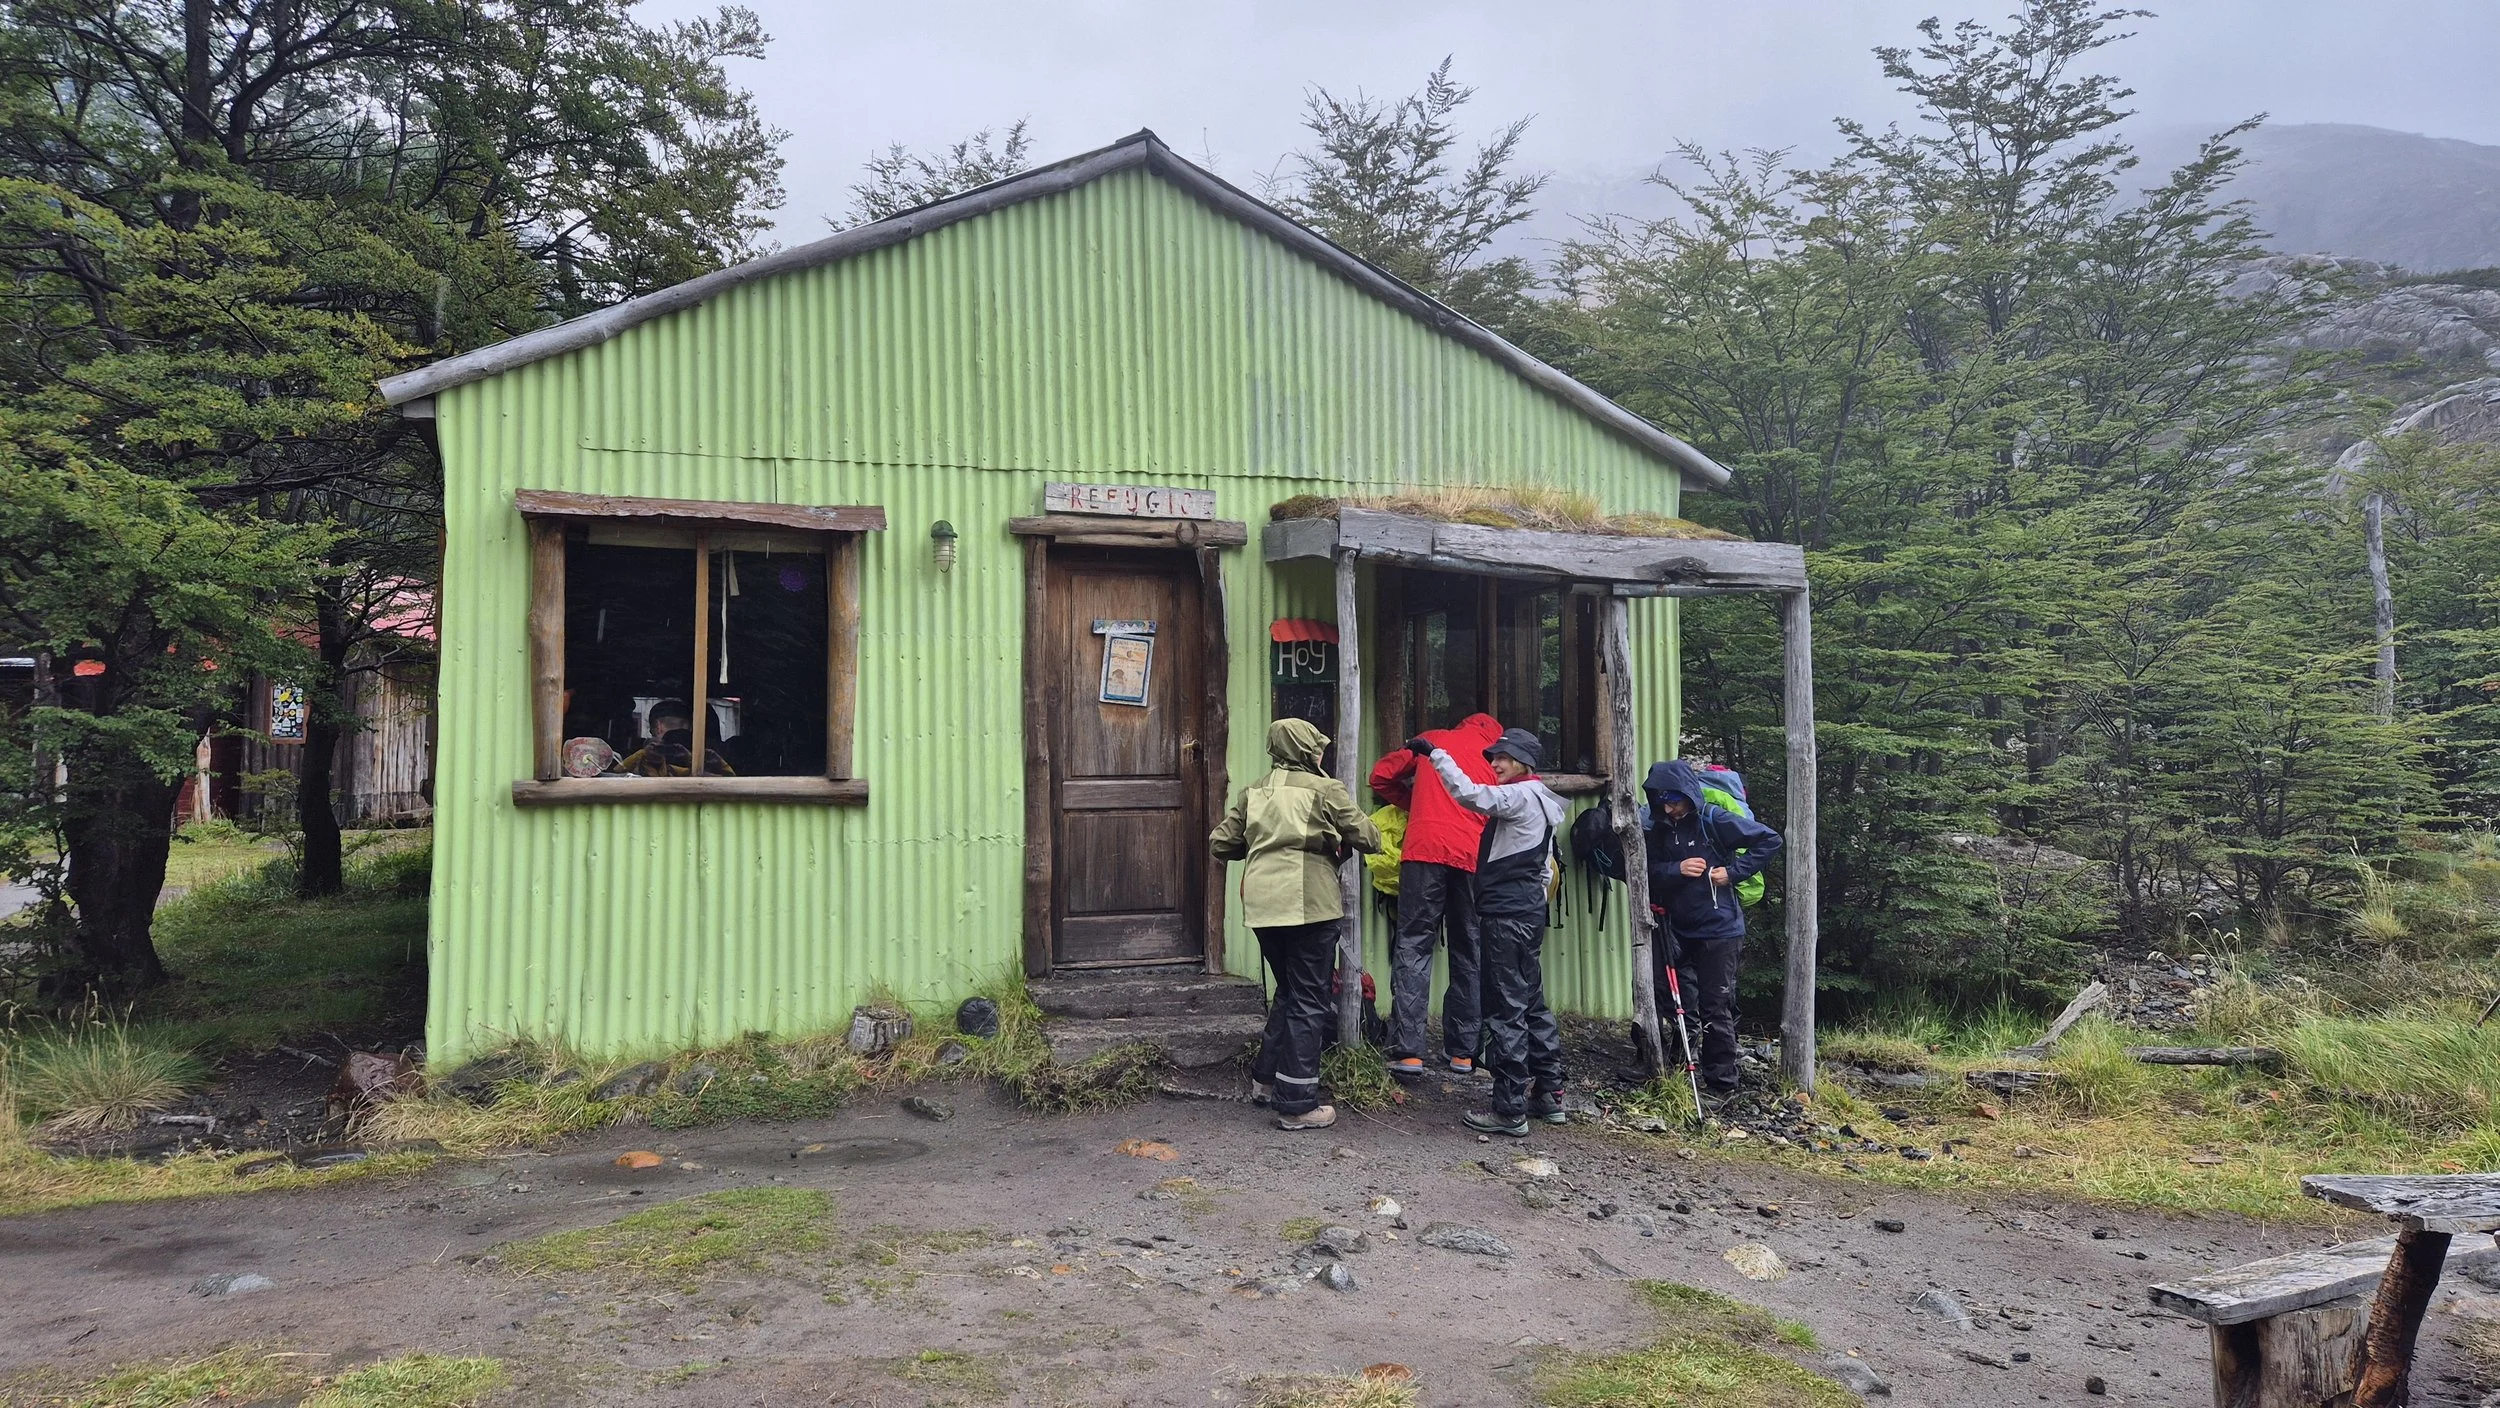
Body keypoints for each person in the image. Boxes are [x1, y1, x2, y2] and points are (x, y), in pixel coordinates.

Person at [1210, 718, 1380, 1132]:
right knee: (1309, 997)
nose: (1321, 753)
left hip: (1263, 905)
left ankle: (1266, 1081)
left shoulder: (1253, 792)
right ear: (1307, 750)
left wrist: (1264, 842)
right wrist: (1327, 841)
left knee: (1289, 990)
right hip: (1310, 905)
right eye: (1317, 747)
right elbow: (1370, 838)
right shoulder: (1325, 789)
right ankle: (1297, 1104)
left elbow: (1220, 843)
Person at [1412, 726, 1568, 1137]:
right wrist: (1531, 900)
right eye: (1494, 756)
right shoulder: (1543, 799)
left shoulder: (1519, 796)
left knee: (1505, 1008)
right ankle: (1549, 1093)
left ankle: (1509, 1109)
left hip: (1505, 915)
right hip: (1527, 913)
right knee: (1531, 1001)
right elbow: (1545, 867)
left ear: (1524, 763)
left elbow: (1469, 795)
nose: (1495, 763)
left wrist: (1436, 754)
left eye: (1503, 757)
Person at [1368, 712, 1503, 1079]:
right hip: (1473, 858)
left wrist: (1415, 803)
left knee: (1413, 943)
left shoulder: (1434, 740)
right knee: (1469, 949)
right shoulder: (1496, 758)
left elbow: (1380, 775)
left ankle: (1409, 1053)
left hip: (1424, 851)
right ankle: (1463, 1054)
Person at [1642, 759, 1784, 1096]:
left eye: (1674, 801)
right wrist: (1676, 869)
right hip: (1675, 927)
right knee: (1671, 997)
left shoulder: (1714, 819)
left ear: (1688, 795)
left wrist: (1732, 873)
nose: (1669, 808)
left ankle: (1721, 1085)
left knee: (1715, 1006)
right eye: (1662, 802)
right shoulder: (1658, 827)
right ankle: (1675, 1062)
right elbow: (1644, 868)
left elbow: (1770, 840)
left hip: (1720, 930)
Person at [616, 700, 734, 777]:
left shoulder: (644, 756)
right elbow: (730, 780)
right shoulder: (707, 757)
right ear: (690, 727)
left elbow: (616, 774)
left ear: (658, 727)